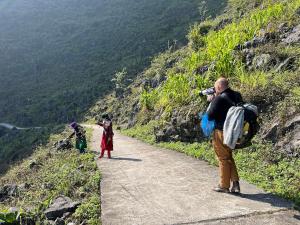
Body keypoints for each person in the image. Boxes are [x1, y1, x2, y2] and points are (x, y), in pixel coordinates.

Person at [207, 77, 243, 193]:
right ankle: (236, 184)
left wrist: (212, 100)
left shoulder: (219, 98)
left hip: (221, 132)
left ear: (218, 87)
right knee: (228, 157)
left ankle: (224, 186)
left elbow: (210, 116)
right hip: (234, 132)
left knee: (223, 158)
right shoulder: (237, 95)